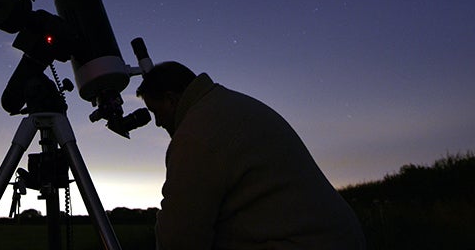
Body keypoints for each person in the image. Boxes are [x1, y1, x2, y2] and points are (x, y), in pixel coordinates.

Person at [137, 61, 365, 250]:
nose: (157, 123)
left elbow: (179, 239)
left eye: (157, 112)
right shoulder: (227, 106)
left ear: (171, 99)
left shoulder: (195, 134)